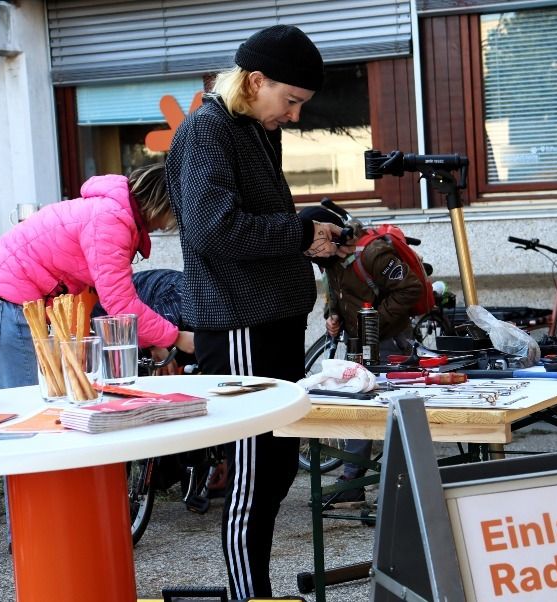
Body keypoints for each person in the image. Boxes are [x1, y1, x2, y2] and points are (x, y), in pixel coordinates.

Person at [165, 24, 343, 599]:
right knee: (252, 477)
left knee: (278, 468)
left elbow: (257, 219)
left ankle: (257, 592)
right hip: (238, 324)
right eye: (290, 100)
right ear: (255, 81)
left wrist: (307, 227)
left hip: (274, 319)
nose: (294, 115)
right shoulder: (207, 131)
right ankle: (251, 597)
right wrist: (299, 233)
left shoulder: (254, 127)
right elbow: (214, 230)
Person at [0, 163, 195, 390]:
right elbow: (120, 303)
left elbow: (115, 297)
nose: (168, 225)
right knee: (26, 402)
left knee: (31, 399)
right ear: (161, 204)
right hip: (3, 307)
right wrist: (175, 337)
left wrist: (153, 341)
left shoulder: (108, 212)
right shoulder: (110, 222)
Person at [300, 202, 425, 506]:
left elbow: (411, 288)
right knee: (359, 406)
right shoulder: (329, 259)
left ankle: (399, 485)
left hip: (390, 341)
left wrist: (373, 321)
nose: (312, 254)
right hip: (359, 344)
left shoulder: (373, 254)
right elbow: (336, 292)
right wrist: (332, 315)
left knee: (394, 412)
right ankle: (352, 481)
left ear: (330, 232)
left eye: (313, 245)